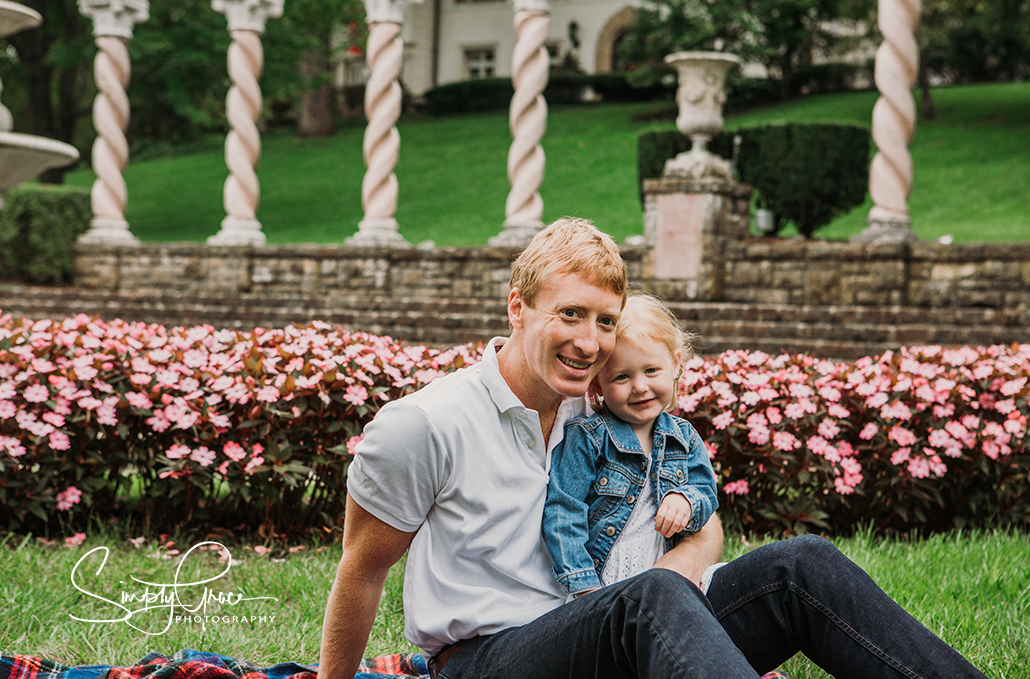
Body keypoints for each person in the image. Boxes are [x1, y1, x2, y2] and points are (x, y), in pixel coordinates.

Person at [319, 217, 988, 679]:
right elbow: (362, 571)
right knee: (649, 598)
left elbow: (704, 518)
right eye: (570, 313)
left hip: (618, 631)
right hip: (491, 659)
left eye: (605, 321)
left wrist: (680, 566)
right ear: (517, 307)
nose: (590, 340)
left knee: (797, 566)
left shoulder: (606, 401)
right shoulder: (427, 423)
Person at [543, 293, 719, 597]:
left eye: (651, 370)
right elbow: (564, 514)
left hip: (666, 578)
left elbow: (705, 493)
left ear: (676, 364)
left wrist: (687, 502)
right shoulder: (588, 438)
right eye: (622, 377)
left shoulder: (684, 437)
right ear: (597, 385)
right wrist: (586, 591)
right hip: (604, 586)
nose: (640, 387)